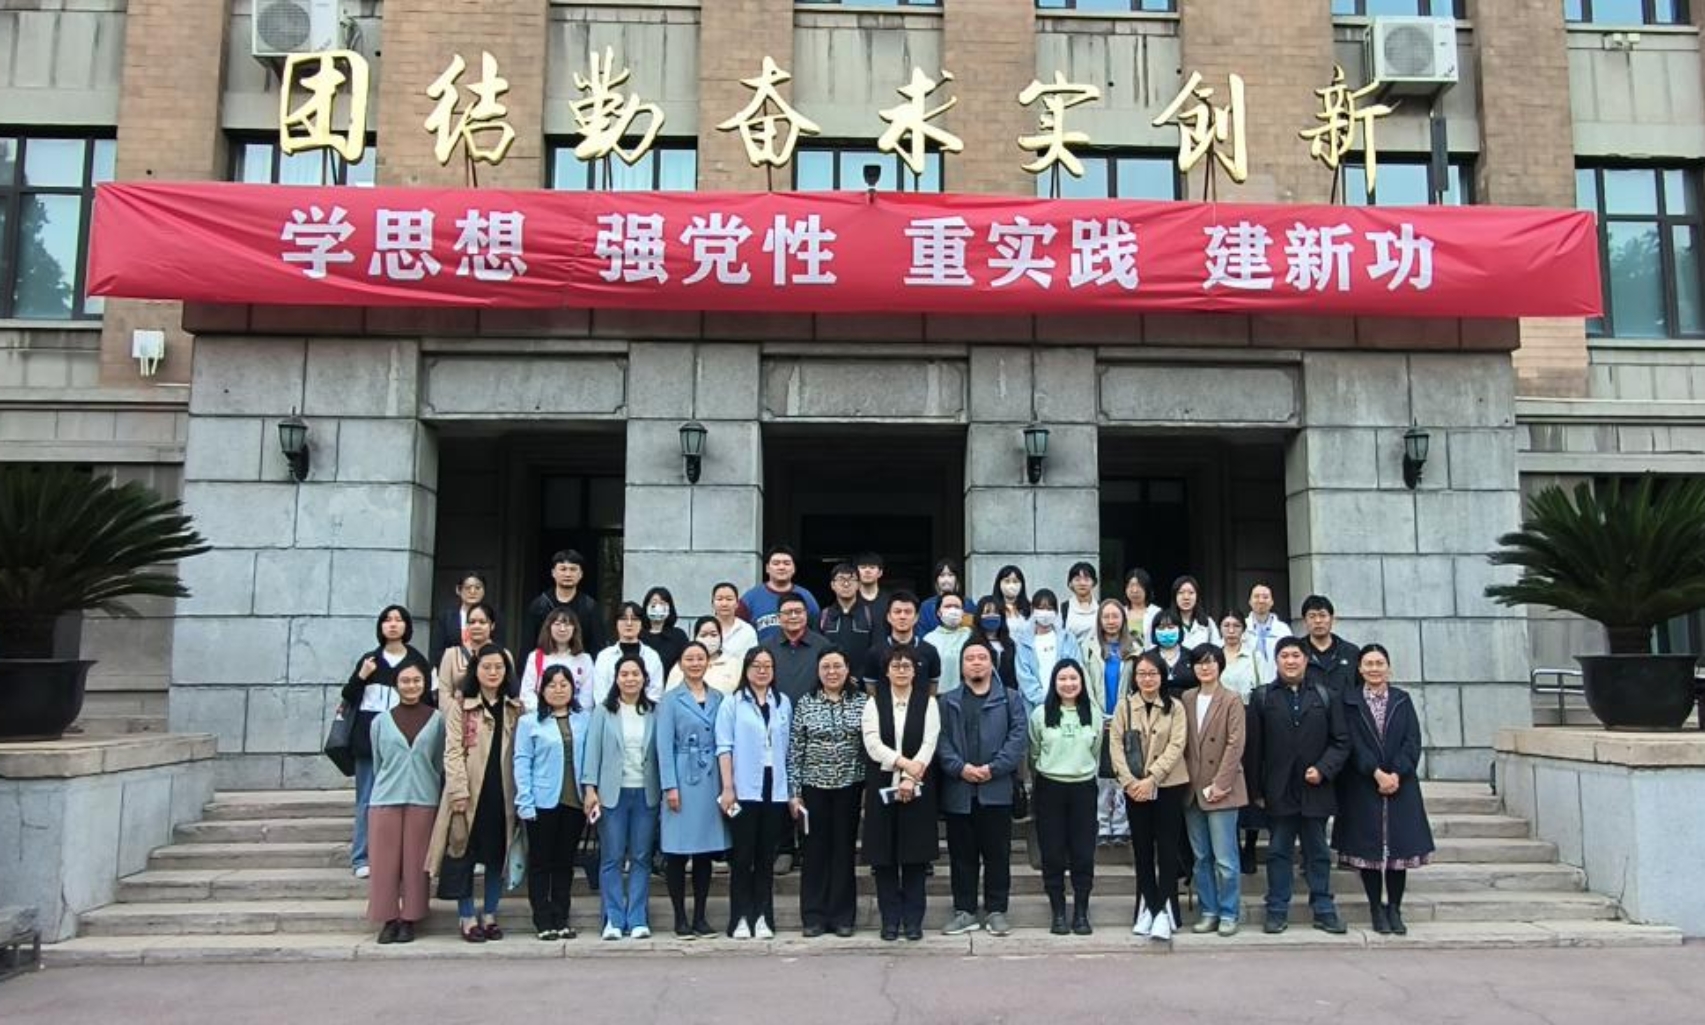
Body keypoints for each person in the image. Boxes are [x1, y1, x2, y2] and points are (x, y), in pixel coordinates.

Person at [1248, 637, 1351, 935]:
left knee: (1317, 852)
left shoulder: (1325, 695)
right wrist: (1256, 791)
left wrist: (1323, 769)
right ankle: (1277, 909)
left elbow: (1341, 741)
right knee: (1278, 851)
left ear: (1306, 660)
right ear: (1276, 661)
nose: (1290, 661)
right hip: (1278, 790)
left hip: (1315, 788)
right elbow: (1253, 750)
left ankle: (1324, 908)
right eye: (1285, 656)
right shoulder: (1262, 697)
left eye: (1296, 655)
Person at [1334, 644, 1434, 936]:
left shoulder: (1402, 699)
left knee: (1398, 852)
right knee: (1370, 851)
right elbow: (1351, 743)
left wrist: (1396, 774)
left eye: (1379, 663)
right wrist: (1375, 773)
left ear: (1388, 668)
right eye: (1368, 663)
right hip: (1363, 784)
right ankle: (1376, 908)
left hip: (1400, 785)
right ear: (1359, 668)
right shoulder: (1349, 701)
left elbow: (1412, 741)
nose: (1374, 669)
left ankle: (1395, 908)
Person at [427, 644, 521, 944]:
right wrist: (457, 790)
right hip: (468, 792)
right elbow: (452, 751)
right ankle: (467, 916)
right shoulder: (462, 707)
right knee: (462, 853)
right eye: (486, 667)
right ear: (475, 671)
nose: (493, 672)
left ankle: (490, 913)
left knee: (496, 856)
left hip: (502, 792)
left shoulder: (514, 709)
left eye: (499, 667)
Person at [937, 640, 1028, 937]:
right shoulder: (947, 700)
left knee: (997, 855)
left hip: (996, 790)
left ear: (992, 663)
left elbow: (1018, 738)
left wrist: (993, 768)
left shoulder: (1010, 699)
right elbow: (940, 740)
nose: (976, 663)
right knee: (961, 856)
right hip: (959, 791)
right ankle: (964, 910)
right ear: (961, 665)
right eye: (970, 658)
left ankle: (996, 910)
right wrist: (959, 767)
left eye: (982, 657)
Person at [1108, 651, 1189, 942]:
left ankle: (1165, 909)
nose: (1147, 679)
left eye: (1153, 673)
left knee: (1167, 848)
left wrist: (1152, 777)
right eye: (1141, 674)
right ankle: (1147, 906)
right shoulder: (1125, 707)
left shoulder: (1175, 707)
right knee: (1142, 849)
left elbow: (1177, 745)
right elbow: (1115, 746)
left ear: (1162, 676)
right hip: (1134, 788)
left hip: (1168, 785)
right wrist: (1131, 782)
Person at [861, 647, 941, 942]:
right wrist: (904, 764)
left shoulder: (928, 702)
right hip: (882, 785)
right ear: (886, 671)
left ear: (915, 671)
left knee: (915, 858)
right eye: (895, 666)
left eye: (906, 666)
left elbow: (929, 742)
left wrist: (910, 776)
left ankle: (913, 921)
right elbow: (873, 744)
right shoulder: (874, 703)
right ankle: (890, 920)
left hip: (918, 786)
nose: (901, 671)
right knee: (884, 858)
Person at [788, 648, 869, 937]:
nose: (832, 672)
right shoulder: (806, 703)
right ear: (818, 671)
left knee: (843, 851)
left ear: (847, 669)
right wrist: (794, 792)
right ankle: (813, 916)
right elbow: (795, 749)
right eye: (826, 667)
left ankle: (843, 917)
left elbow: (868, 746)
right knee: (814, 852)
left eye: (837, 666)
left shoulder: (862, 702)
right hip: (813, 789)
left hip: (849, 786)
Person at [342, 605, 427, 878]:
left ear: (407, 626)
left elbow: (427, 701)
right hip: (368, 741)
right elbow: (349, 695)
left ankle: (396, 857)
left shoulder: (417, 660)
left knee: (403, 802)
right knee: (367, 800)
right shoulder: (369, 660)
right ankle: (361, 857)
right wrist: (362, 676)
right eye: (387, 620)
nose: (393, 624)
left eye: (398, 620)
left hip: (404, 742)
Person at [581, 654, 662, 940]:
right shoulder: (604, 712)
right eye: (624, 674)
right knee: (612, 857)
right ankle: (613, 919)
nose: (630, 679)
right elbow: (592, 751)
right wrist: (590, 789)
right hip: (611, 794)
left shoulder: (654, 711)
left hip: (646, 793)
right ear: (616, 679)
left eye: (635, 674)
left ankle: (637, 918)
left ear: (644, 678)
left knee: (641, 857)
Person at [717, 647, 794, 939]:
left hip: (774, 788)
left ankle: (763, 916)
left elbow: (788, 749)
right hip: (744, 787)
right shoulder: (732, 703)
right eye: (756, 665)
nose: (762, 671)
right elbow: (724, 747)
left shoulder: (782, 702)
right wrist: (728, 787)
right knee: (742, 856)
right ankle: (740, 917)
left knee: (765, 856)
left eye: (767, 666)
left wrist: (791, 792)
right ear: (746, 669)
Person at [365, 656, 441, 945]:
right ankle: (388, 918)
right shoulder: (380, 722)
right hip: (385, 797)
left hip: (423, 796)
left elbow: (438, 761)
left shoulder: (437, 720)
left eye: (417, 680)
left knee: (416, 863)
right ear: (396, 684)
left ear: (425, 684)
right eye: (405, 681)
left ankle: (410, 918)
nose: (411, 686)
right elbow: (378, 762)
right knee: (384, 863)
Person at [656, 641, 728, 939]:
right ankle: (680, 917)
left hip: (711, 778)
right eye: (690, 658)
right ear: (680, 664)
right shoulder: (670, 700)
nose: (696, 663)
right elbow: (663, 746)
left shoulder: (719, 697)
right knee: (677, 851)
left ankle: (700, 916)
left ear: (708, 662)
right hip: (682, 776)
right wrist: (669, 786)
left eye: (700, 658)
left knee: (704, 852)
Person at [513, 664, 591, 940]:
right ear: (542, 690)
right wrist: (525, 800)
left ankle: (561, 916)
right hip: (542, 801)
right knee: (540, 862)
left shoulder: (584, 720)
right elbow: (522, 761)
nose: (558, 690)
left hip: (574, 801)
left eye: (564, 684)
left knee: (564, 862)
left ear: (573, 688)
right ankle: (542, 919)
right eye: (552, 685)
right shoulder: (529, 722)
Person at [1030, 659, 1103, 935]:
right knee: (1052, 853)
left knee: (1083, 853)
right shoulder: (1040, 714)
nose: (1068, 684)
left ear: (1082, 682)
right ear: (1054, 682)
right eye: (1062, 679)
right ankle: (1058, 912)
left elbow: (1095, 749)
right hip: (1050, 788)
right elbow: (1034, 750)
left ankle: (1081, 912)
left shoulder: (1093, 713)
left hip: (1083, 788)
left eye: (1074, 678)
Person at [1181, 644, 1248, 937]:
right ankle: (1209, 910)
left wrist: (1221, 784)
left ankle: (1229, 912)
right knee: (1201, 858)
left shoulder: (1232, 699)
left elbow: (1236, 744)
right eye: (1199, 663)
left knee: (1226, 860)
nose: (1205, 668)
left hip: (1223, 788)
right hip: (1192, 789)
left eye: (1210, 662)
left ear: (1220, 665)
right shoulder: (1187, 698)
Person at [1080, 599, 1129, 845]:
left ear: (1123, 619)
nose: (1111, 621)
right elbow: (1085, 683)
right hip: (1097, 717)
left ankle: (1121, 826)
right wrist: (1098, 714)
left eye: (1115, 616)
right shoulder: (1088, 648)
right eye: (1106, 616)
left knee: (1122, 773)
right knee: (1100, 775)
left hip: (1126, 718)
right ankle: (1101, 824)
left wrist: (1122, 714)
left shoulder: (1134, 649)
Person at [524, 549, 604, 656]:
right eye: (563, 569)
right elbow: (527, 645)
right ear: (553, 573)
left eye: (573, 569)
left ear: (581, 574)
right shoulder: (539, 605)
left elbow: (598, 646)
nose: (568, 574)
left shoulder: (590, 607)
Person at [1015, 588, 1084, 709]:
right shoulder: (1024, 642)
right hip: (1035, 706)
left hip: (1066, 702)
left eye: (1049, 608)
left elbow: (1077, 667)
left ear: (1056, 611)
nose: (1045, 613)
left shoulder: (1067, 638)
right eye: (1041, 608)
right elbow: (1023, 674)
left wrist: (1063, 697)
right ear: (1033, 610)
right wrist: (1042, 699)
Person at [739, 544, 821, 643]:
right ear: (767, 568)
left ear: (794, 568)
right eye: (776, 563)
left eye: (786, 563)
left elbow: (816, 633)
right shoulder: (750, 598)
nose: (781, 567)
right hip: (763, 652)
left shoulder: (806, 597)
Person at [436, 602, 511, 709]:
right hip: (459, 715)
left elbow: (511, 690)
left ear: (492, 625)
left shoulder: (504, 654)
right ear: (467, 626)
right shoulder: (451, 655)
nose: (477, 626)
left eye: (482, 622)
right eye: (472, 622)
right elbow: (444, 695)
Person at [863, 591, 942, 690]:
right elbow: (871, 686)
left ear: (916, 617)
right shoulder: (875, 652)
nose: (902, 616)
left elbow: (933, 685)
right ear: (888, 617)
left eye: (908, 612)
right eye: (897, 612)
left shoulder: (930, 651)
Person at [519, 609, 594, 714]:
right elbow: (527, 693)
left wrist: (569, 715)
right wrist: (546, 713)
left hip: (575, 719)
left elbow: (587, 697)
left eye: (567, 625)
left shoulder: (585, 659)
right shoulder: (535, 657)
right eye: (557, 624)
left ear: (574, 629)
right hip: (540, 717)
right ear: (549, 627)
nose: (562, 629)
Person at [763, 593, 834, 705]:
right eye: (787, 612)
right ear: (778, 618)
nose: (793, 616)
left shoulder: (823, 646)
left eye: (798, 611)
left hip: (813, 710)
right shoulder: (766, 647)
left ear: (806, 614)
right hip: (776, 710)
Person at [593, 601, 665, 702]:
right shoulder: (604, 656)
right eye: (623, 618)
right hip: (611, 710)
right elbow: (600, 694)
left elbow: (655, 693)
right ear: (616, 623)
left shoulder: (652, 656)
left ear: (641, 624)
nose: (629, 623)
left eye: (634, 619)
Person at [819, 563, 877, 674]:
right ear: (832, 585)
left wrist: (861, 676)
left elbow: (876, 650)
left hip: (862, 680)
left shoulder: (870, 614)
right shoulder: (824, 616)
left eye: (851, 580)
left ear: (858, 585)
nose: (846, 584)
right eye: (841, 579)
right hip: (832, 677)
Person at [1300, 594, 1360, 697]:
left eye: (1322, 615)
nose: (1318, 621)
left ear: (1332, 619)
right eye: (1312, 616)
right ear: (1304, 621)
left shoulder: (1350, 651)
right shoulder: (1297, 652)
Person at [666, 616, 741, 694]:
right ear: (695, 637)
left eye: (713, 635)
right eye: (703, 635)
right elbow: (670, 694)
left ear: (721, 637)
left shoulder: (733, 664)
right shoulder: (683, 664)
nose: (709, 639)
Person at [431, 571, 488, 665]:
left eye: (478, 588)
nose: (472, 591)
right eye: (468, 587)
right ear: (458, 590)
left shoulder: (494, 617)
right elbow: (436, 652)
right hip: (452, 669)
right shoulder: (446, 618)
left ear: (484, 591)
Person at [923, 592, 971, 696]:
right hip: (939, 696)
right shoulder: (929, 639)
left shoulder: (971, 636)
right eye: (948, 606)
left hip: (966, 696)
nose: (953, 610)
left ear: (963, 612)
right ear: (939, 612)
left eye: (957, 607)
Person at [970, 596, 1020, 692]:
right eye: (987, 612)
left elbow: (1014, 677)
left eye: (996, 612)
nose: (992, 616)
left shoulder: (1010, 644)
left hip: (1007, 696)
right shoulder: (971, 645)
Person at [1245, 583, 1291, 685]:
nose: (1261, 601)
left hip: (1279, 685)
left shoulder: (1283, 629)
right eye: (1256, 597)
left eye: (1265, 597)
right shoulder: (1242, 628)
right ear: (1250, 602)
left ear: (1272, 602)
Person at [639, 585, 689, 676]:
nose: (658, 607)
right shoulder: (638, 635)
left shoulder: (678, 636)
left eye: (662, 603)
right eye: (654, 603)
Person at [1146, 609, 1196, 697]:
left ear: (1180, 629)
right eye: (1161, 628)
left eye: (1171, 627)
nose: (1166, 631)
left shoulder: (1191, 656)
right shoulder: (1147, 658)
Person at [711, 581, 760, 662]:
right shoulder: (705, 627)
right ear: (712, 603)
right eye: (719, 599)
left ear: (737, 604)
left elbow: (753, 661)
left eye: (729, 599)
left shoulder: (747, 630)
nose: (724, 604)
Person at [1170, 575, 1222, 651]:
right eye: (1181, 593)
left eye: (1191, 593)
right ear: (1174, 596)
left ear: (1197, 596)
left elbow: (1216, 649)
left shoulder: (1208, 623)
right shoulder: (1168, 621)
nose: (1186, 597)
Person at [917, 558, 962, 637]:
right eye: (942, 575)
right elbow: (922, 634)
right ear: (936, 580)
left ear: (956, 579)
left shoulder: (968, 604)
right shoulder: (926, 606)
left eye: (950, 575)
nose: (946, 580)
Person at [1063, 561, 1101, 651]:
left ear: (1094, 582)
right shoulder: (1064, 608)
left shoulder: (1101, 607)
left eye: (1087, 579)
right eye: (1077, 579)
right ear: (1070, 583)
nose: (1082, 583)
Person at [990, 564, 1033, 640]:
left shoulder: (1029, 607)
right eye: (1007, 581)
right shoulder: (991, 607)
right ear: (999, 584)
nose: (1011, 585)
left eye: (1015, 581)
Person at [1122, 567, 1160, 650]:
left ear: (1147, 588)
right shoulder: (1120, 612)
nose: (1135, 590)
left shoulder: (1157, 613)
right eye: (1131, 586)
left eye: (1139, 586)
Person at [855, 551, 892, 629]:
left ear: (880, 573)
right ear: (856, 572)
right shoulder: (849, 599)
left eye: (872, 567)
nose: (867, 571)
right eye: (863, 567)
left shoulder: (890, 600)